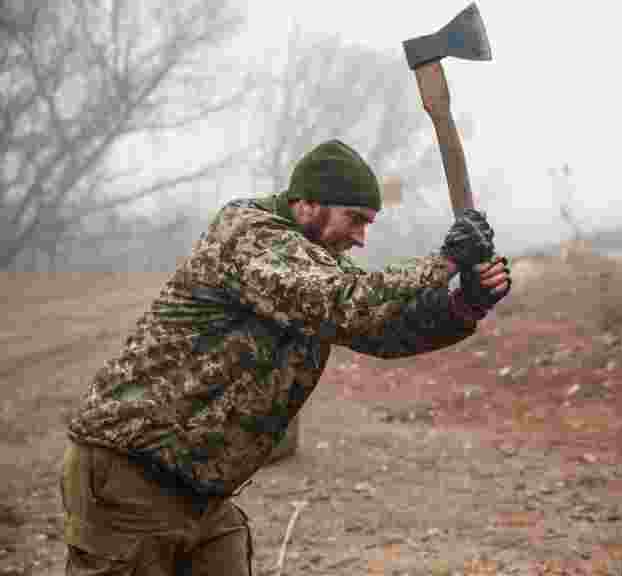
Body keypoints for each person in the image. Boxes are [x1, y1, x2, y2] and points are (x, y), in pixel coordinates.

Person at [58, 139, 511, 575]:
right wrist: (445, 262)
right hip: (130, 472)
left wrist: (463, 304)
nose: (360, 237)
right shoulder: (247, 235)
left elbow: (381, 328)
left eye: (369, 223)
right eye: (354, 218)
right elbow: (335, 300)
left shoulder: (312, 262)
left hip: (201, 489)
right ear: (307, 203)